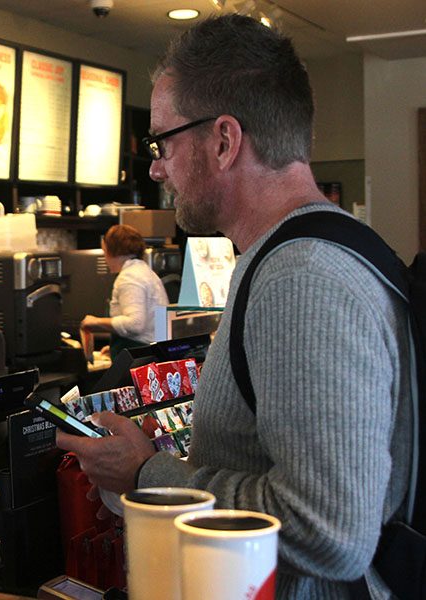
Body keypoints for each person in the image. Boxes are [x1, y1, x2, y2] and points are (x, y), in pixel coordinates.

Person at [57, 15, 413, 599]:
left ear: (223, 141)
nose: (155, 167)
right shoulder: (312, 252)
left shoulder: (301, 277)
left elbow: (330, 532)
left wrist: (148, 473)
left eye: (162, 142)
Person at [79, 224, 168, 360]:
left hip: (141, 358)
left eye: (104, 251)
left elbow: (135, 324)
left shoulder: (129, 277)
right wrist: (114, 349)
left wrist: (95, 321)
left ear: (111, 250)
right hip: (152, 352)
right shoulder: (146, 272)